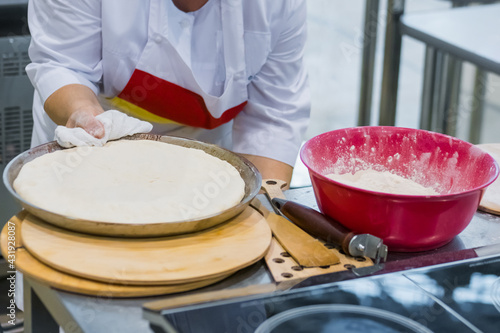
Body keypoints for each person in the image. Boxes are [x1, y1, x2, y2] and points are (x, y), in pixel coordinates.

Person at [26, 0, 310, 185]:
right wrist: (85, 116)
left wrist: (263, 211)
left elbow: (272, 121)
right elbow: (63, 63)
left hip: (205, 172)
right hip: (87, 158)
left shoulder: (277, 6)